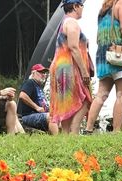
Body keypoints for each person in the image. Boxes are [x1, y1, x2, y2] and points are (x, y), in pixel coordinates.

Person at [85, 0, 122, 134]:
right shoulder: (121, 4)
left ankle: (88, 129)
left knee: (101, 93)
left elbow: (98, 37)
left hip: (105, 57)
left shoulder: (103, 9)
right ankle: (116, 131)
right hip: (120, 56)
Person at [50, 0, 93, 134]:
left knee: (66, 106)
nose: (82, 9)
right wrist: (84, 72)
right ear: (75, 6)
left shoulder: (64, 22)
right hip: (69, 68)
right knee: (86, 99)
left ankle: (67, 140)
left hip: (61, 68)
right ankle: (74, 132)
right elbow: (74, 48)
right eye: (82, 6)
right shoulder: (72, 23)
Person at [18, 64, 59, 135]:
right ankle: (57, 142)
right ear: (33, 73)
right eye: (40, 72)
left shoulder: (39, 87)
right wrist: (37, 107)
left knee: (61, 118)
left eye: (44, 73)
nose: (43, 75)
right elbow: (22, 95)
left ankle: (65, 140)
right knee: (52, 117)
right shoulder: (30, 82)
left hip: (40, 115)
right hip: (28, 116)